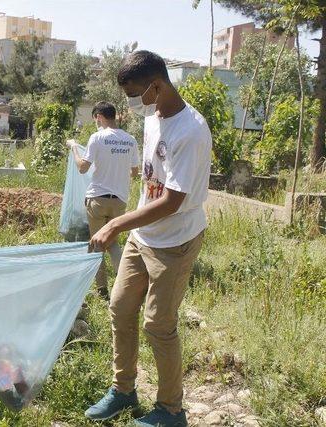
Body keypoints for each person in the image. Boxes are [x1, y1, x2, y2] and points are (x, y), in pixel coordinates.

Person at [84, 51, 211, 427]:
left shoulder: (191, 130)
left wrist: (115, 224)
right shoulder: (153, 118)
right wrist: (129, 226)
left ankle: (172, 410)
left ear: (156, 85)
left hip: (175, 241)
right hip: (143, 237)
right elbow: (150, 180)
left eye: (134, 93)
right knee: (120, 309)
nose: (131, 102)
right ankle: (123, 391)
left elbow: (172, 201)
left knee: (158, 324)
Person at [67, 101, 140, 300]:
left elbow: (82, 167)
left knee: (97, 244)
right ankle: (125, 285)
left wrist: (74, 147)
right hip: (119, 200)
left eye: (95, 119)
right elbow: (135, 172)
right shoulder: (130, 140)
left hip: (97, 199)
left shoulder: (97, 137)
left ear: (99, 117)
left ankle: (102, 291)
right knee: (113, 242)